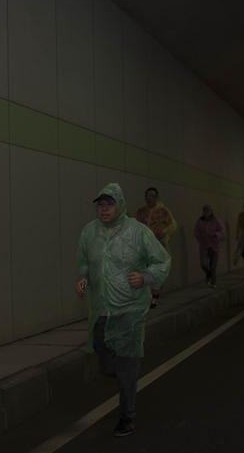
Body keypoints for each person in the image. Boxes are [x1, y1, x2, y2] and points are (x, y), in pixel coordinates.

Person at [76, 183, 171, 436]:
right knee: (106, 366)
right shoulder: (89, 232)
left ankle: (127, 416)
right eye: (100, 205)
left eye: (110, 204)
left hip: (130, 310)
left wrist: (145, 277)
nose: (104, 209)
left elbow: (161, 260)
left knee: (126, 368)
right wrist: (83, 276)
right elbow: (83, 260)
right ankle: (128, 372)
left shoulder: (138, 231)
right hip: (102, 311)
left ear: (120, 206)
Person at [135, 187, 177, 308]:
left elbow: (173, 225)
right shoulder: (140, 212)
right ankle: (147, 296)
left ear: (157, 198)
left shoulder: (164, 211)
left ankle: (155, 297)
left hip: (159, 246)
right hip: (144, 247)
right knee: (145, 271)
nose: (149, 198)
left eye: (152, 196)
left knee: (157, 271)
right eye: (147, 196)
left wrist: (163, 232)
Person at [193, 205, 226, 288]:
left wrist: (215, 234)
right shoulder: (200, 221)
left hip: (214, 246)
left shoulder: (216, 220)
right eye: (205, 210)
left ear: (211, 211)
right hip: (204, 245)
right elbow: (196, 230)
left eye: (208, 210)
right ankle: (208, 274)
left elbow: (222, 231)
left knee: (213, 265)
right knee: (203, 264)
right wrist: (198, 235)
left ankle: (213, 281)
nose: (206, 212)